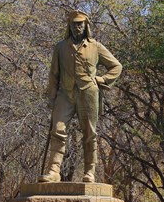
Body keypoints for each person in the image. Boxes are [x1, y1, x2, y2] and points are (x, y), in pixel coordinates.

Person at [39, 10, 122, 183]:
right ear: (69, 26)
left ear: (86, 26)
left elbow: (116, 66)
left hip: (88, 93)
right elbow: (54, 74)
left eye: (80, 24)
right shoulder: (60, 47)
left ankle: (89, 172)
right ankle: (54, 171)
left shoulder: (96, 46)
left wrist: (101, 80)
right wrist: (51, 96)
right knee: (58, 130)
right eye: (74, 24)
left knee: (89, 133)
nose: (78, 27)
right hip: (65, 94)